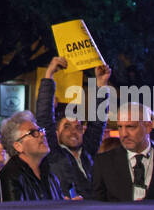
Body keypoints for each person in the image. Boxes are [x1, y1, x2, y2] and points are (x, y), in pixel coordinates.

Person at [35, 56, 110, 199]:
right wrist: (49, 75)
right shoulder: (54, 154)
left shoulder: (88, 151)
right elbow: (44, 118)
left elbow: (98, 121)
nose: (73, 131)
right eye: (67, 126)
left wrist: (101, 84)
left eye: (78, 126)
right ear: (57, 134)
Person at [91, 103, 154, 202]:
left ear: (148, 126)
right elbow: (96, 206)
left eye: (130, 127)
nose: (124, 134)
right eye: (120, 127)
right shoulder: (103, 162)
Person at [0, 110, 61, 200]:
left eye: (40, 130)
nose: (42, 134)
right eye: (33, 133)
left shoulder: (48, 171)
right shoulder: (11, 176)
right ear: (18, 146)